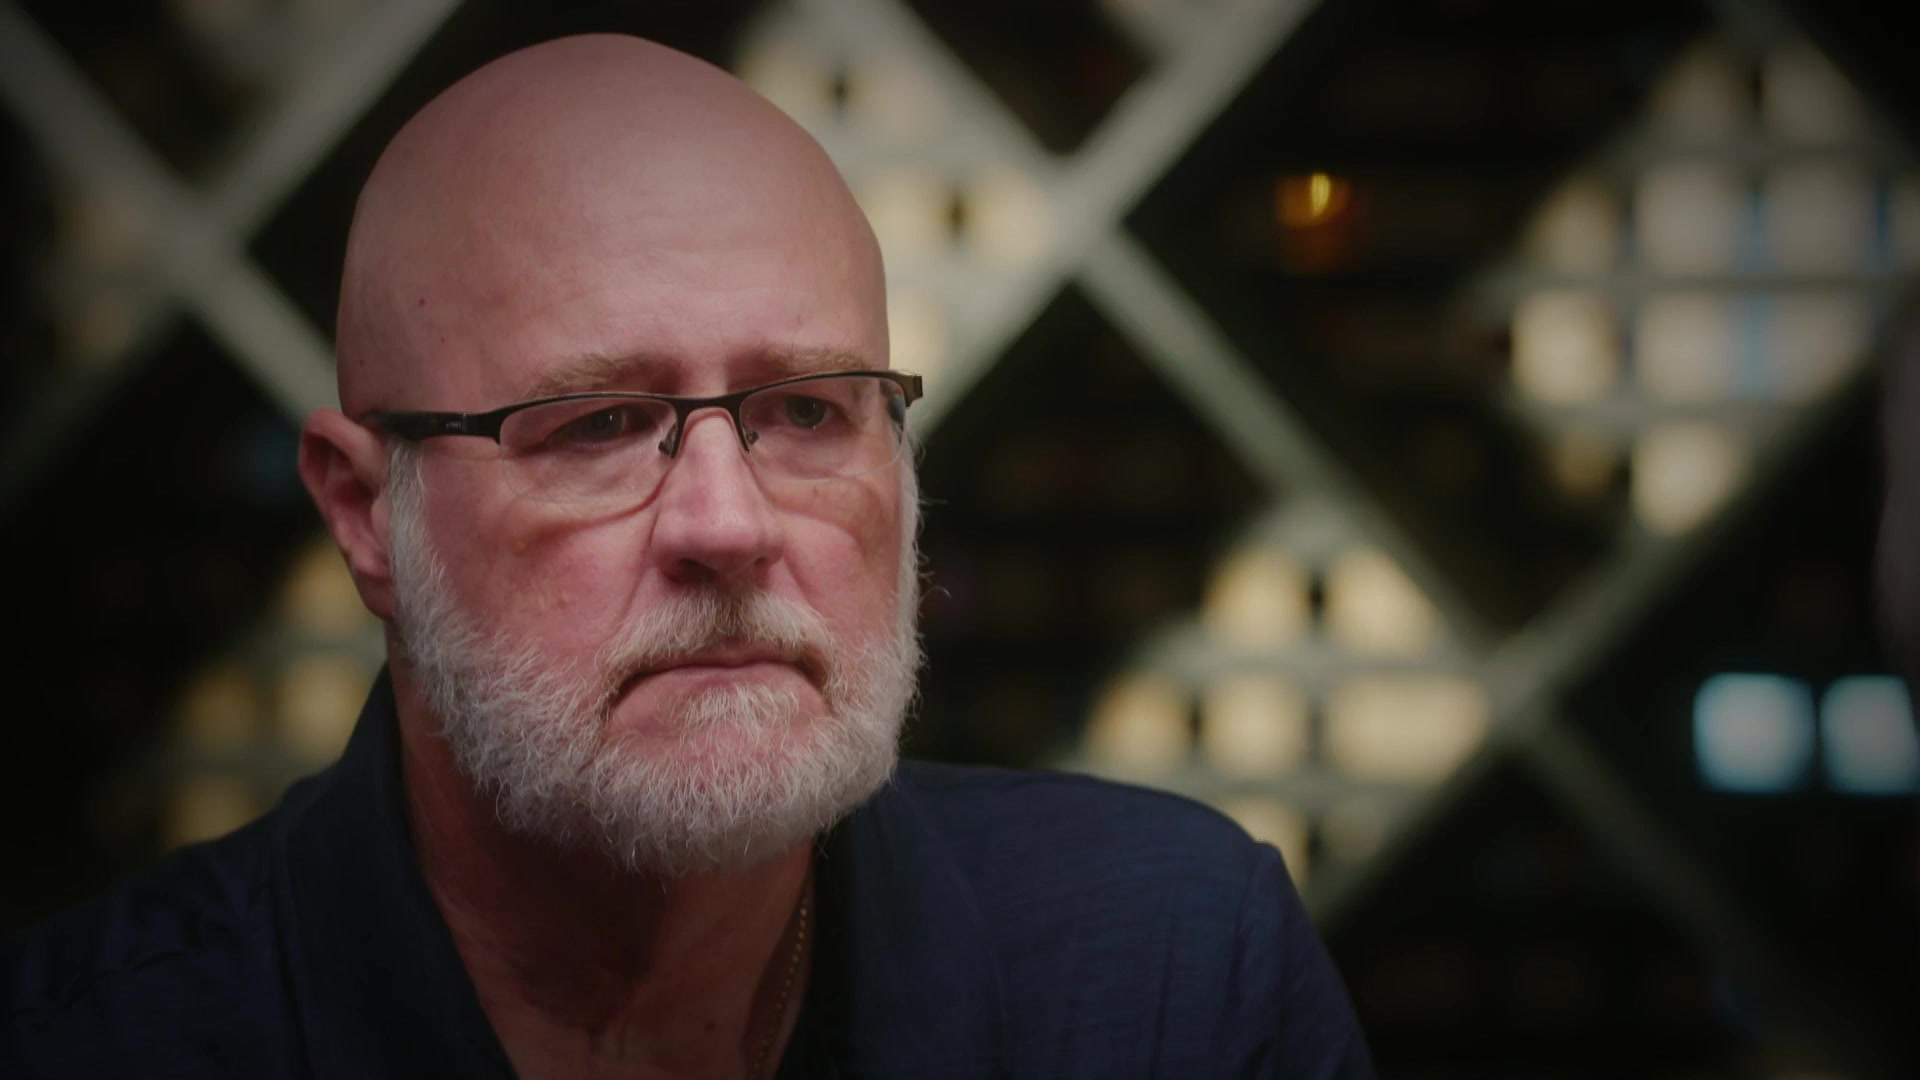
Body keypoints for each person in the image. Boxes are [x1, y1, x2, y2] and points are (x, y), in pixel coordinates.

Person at [2, 34, 1373, 1079]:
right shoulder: (91, 1042)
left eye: (807, 412)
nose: (729, 525)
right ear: (367, 515)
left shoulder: (1171, 977)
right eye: (598, 425)